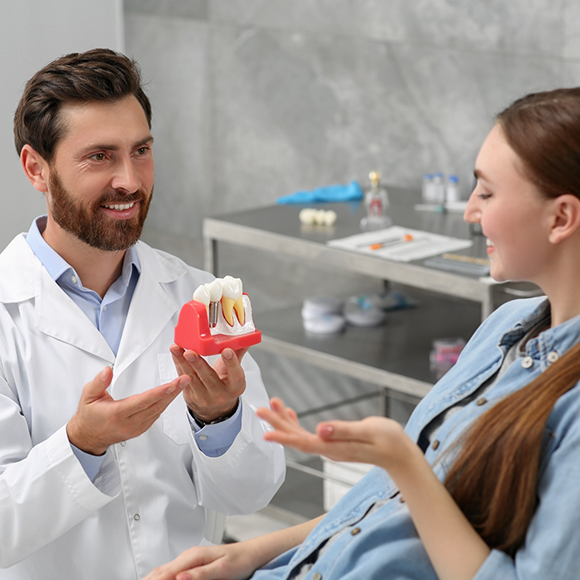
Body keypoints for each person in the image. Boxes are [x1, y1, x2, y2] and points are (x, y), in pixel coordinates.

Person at [144, 86, 580, 580]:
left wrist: (402, 461)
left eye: (487, 191)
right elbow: (388, 504)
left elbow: (423, 495)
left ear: (560, 217)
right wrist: (249, 553)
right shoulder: (505, 327)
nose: (470, 213)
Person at [0, 48, 285, 580]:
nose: (130, 180)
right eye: (99, 156)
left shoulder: (197, 295)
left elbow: (254, 492)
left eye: (141, 150)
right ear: (36, 168)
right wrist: (81, 444)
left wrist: (219, 420)